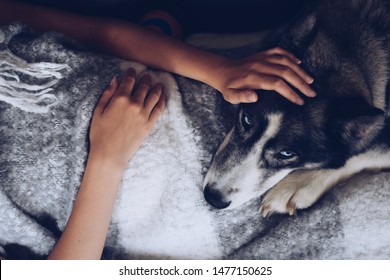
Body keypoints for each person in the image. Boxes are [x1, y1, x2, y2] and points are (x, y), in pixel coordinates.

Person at [0, 0, 316, 259]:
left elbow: (89, 31)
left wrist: (218, 70)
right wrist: (107, 157)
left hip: (175, 72)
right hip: (138, 201)